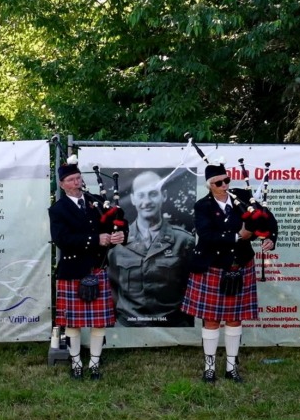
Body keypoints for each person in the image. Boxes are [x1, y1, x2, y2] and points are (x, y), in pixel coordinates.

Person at [180, 162, 276, 383]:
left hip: (240, 263)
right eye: (218, 183)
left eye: (226, 180)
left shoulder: (242, 197)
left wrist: (270, 237)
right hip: (212, 265)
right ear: (209, 185)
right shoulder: (202, 206)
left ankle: (232, 368)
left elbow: (267, 218)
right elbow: (206, 235)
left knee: (234, 319)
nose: (224, 185)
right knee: (211, 320)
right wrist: (237, 236)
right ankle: (209, 368)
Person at [50, 157, 128, 379]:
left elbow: (118, 221)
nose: (76, 182)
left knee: (99, 321)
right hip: (73, 270)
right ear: (63, 184)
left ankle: (94, 363)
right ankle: (76, 363)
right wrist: (95, 240)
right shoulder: (58, 209)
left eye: (78, 178)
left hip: (97, 267)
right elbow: (62, 239)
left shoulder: (97, 202)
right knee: (72, 323)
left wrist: (120, 235)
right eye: (71, 180)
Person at [108, 171, 195, 327]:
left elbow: (192, 288)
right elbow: (110, 288)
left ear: (164, 196)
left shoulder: (184, 241)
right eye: (141, 195)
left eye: (153, 194)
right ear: (133, 199)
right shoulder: (117, 242)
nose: (147, 201)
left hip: (174, 326)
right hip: (128, 326)